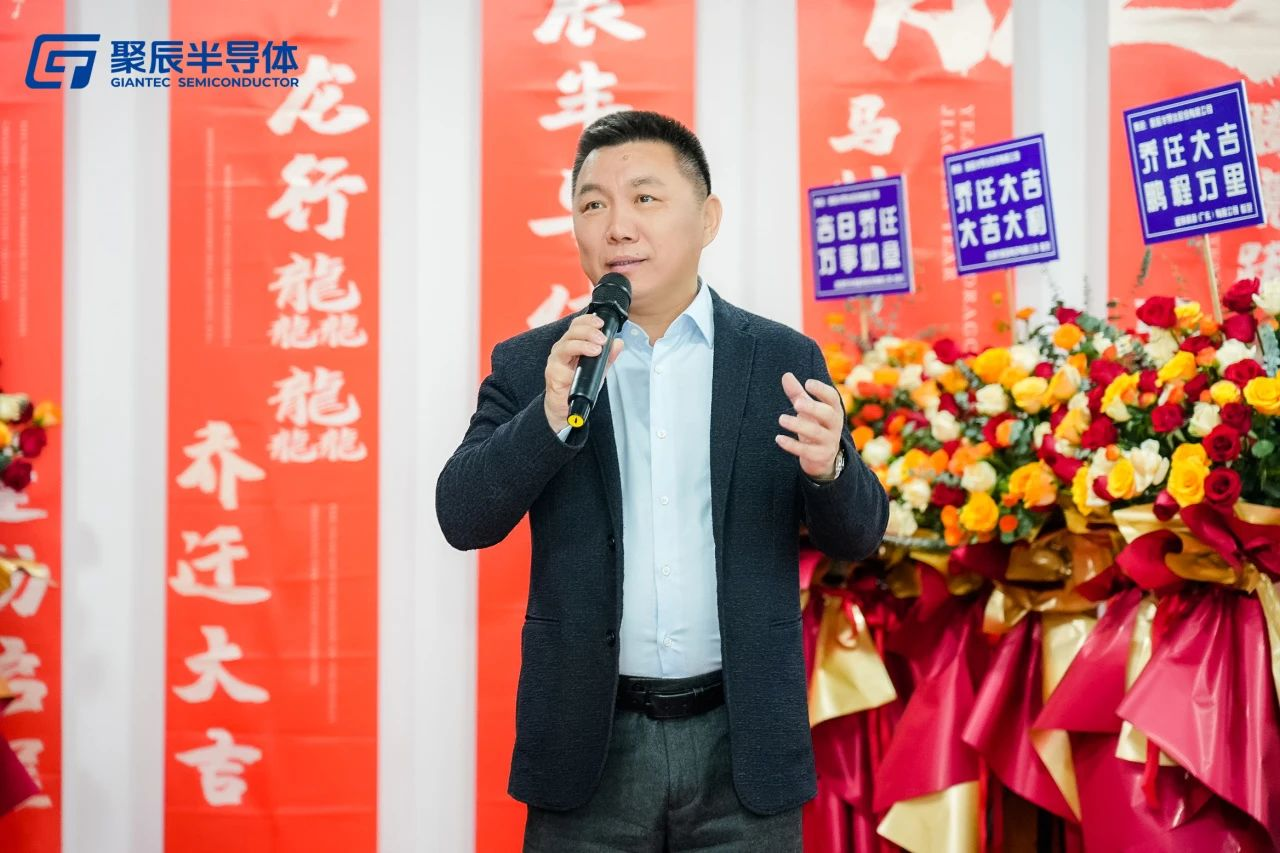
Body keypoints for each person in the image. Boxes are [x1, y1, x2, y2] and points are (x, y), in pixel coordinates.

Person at [437, 110, 888, 852]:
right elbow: (462, 516)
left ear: (707, 219)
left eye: (645, 198)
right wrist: (546, 419)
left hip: (743, 743)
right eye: (592, 204)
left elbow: (860, 534)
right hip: (588, 748)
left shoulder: (779, 358)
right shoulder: (536, 364)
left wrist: (830, 468)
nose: (617, 226)